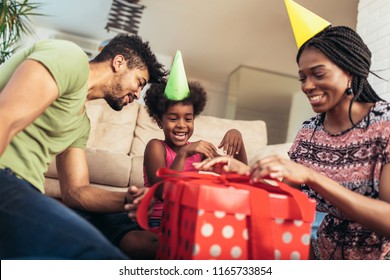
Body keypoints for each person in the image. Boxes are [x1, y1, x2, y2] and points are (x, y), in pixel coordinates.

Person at [194, 2, 390, 260]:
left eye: (318, 74)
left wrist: (312, 177)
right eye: (302, 77)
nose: (308, 86)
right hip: (318, 253)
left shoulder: (384, 125)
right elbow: (285, 193)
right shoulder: (310, 131)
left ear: (351, 73)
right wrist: (242, 172)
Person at [0, 34, 166, 259]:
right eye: (139, 82)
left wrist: (127, 200)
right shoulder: (69, 57)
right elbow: (5, 118)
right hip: (6, 176)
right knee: (100, 257)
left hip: (27, 190)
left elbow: (76, 192)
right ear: (119, 63)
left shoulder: (80, 123)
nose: (137, 95)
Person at [123, 52, 248, 259]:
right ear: (160, 121)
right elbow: (163, 192)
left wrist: (238, 139)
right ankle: (190, 250)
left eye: (188, 118)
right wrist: (184, 153)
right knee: (133, 242)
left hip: (193, 222)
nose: (181, 125)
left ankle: (189, 248)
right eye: (173, 118)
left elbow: (240, 178)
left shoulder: (201, 152)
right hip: (159, 222)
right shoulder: (156, 147)